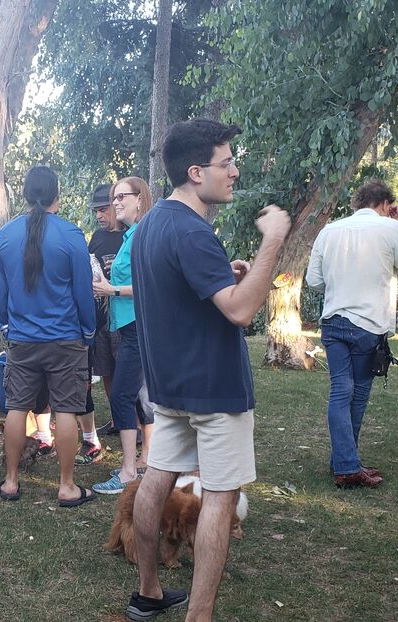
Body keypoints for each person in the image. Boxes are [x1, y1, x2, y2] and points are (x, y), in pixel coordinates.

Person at [126, 119, 290, 621]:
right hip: (215, 390)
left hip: (169, 386)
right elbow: (241, 311)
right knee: (220, 496)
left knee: (156, 478)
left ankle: (148, 591)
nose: (235, 171)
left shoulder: (151, 224)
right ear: (196, 172)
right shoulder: (192, 230)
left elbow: (186, 290)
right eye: (227, 162)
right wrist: (272, 241)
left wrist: (226, 274)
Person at [306, 180, 398, 489]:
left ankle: (345, 461)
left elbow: (314, 281)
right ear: (385, 204)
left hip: (333, 321)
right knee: (356, 393)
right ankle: (347, 464)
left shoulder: (329, 230)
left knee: (340, 390)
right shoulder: (391, 228)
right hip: (368, 324)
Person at [0, 165, 97, 507]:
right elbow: (83, 291)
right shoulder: (71, 235)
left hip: (22, 339)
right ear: (57, 196)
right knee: (66, 409)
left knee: (17, 407)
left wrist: (5, 325)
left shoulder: (4, 236)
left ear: (25, 195)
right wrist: (88, 330)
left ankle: (10, 482)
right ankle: (66, 486)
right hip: (66, 338)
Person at [93, 176, 156, 495]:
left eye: (121, 197)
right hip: (131, 326)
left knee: (121, 395)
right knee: (137, 395)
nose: (115, 202)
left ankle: (129, 471)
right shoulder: (132, 234)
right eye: (114, 197)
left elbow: (152, 284)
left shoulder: (142, 234)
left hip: (138, 327)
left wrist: (111, 289)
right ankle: (145, 461)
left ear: (140, 199)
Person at [80, 182, 122, 464]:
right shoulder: (96, 238)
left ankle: (138, 422)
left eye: (103, 209)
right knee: (106, 370)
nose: (99, 215)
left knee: (128, 372)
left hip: (125, 316)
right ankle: (118, 418)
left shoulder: (131, 235)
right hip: (100, 317)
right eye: (96, 211)